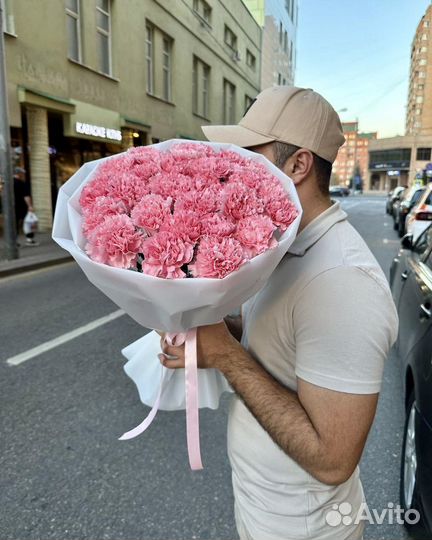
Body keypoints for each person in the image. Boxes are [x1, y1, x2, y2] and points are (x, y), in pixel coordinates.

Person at [158, 87, 399, 540]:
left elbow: (333, 459)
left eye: (252, 153)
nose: (237, 167)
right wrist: (208, 330)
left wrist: (226, 355)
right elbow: (272, 335)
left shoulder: (342, 282)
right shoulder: (281, 244)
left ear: (298, 164)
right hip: (264, 508)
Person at [14, 167, 39, 246]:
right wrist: (30, 206)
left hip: (12, 207)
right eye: (22, 173)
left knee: (15, 224)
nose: (23, 174)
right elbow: (26, 196)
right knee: (28, 222)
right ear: (19, 173)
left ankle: (14, 242)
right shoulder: (21, 183)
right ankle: (29, 239)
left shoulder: (8, 183)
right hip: (22, 206)